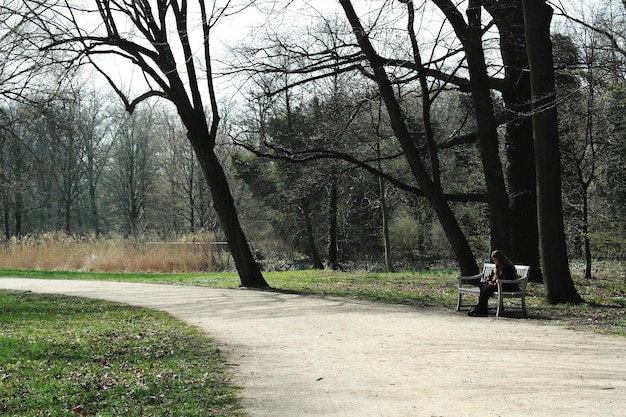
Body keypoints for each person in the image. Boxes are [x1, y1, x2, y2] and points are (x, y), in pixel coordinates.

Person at [468, 249, 517, 317]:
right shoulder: (498, 266)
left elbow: (506, 281)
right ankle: (482, 310)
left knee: (487, 289)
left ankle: (479, 309)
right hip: (498, 285)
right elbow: (493, 277)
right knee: (483, 287)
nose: (494, 261)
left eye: (495, 260)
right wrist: (488, 280)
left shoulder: (507, 267)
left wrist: (493, 284)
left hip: (506, 286)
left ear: (500, 259)